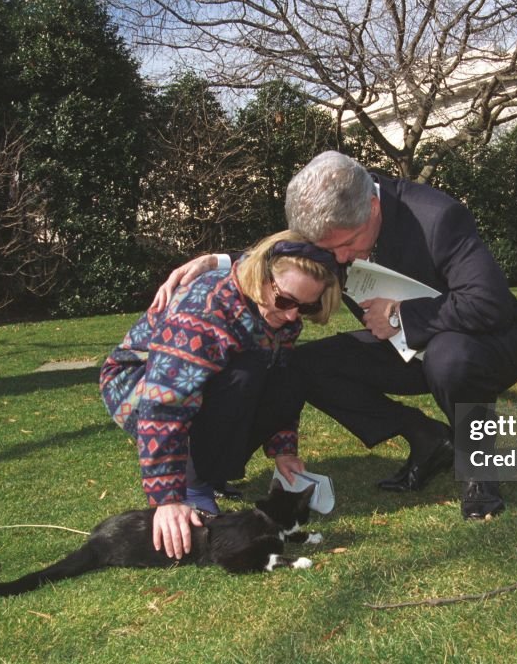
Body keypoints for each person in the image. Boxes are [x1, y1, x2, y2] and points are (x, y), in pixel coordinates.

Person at [153, 151, 517, 520]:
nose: (337, 259)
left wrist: (399, 314)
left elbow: (490, 303)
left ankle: (478, 470)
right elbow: (288, 257)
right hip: (404, 346)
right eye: (327, 248)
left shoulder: (437, 217)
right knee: (304, 366)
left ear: (372, 208)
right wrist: (218, 261)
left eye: (347, 245)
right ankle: (425, 437)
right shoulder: (334, 225)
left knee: (449, 357)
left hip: (486, 343)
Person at [102, 229, 341, 560]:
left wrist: (284, 449)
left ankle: (208, 469)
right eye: (286, 301)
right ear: (262, 276)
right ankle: (193, 482)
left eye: (306, 306)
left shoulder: (282, 311)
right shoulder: (202, 311)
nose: (292, 315)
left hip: (208, 384)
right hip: (142, 390)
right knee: (243, 375)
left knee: (293, 369)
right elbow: (165, 403)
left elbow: (282, 380)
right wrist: (167, 498)